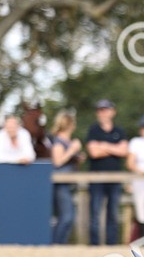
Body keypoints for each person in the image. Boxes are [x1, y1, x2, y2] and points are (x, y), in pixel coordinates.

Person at [85, 99, 128, 245]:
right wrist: (114, 148)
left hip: (115, 179)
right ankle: (95, 245)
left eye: (105, 109)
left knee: (113, 214)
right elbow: (93, 152)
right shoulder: (93, 130)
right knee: (95, 214)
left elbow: (124, 151)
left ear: (112, 111)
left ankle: (112, 245)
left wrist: (103, 145)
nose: (102, 113)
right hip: (96, 178)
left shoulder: (120, 131)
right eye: (100, 110)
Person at [49, 110, 85, 244]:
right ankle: (56, 243)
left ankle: (60, 243)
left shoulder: (67, 142)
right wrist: (72, 150)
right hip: (60, 184)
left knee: (67, 217)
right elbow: (57, 162)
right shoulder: (59, 142)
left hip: (68, 183)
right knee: (67, 217)